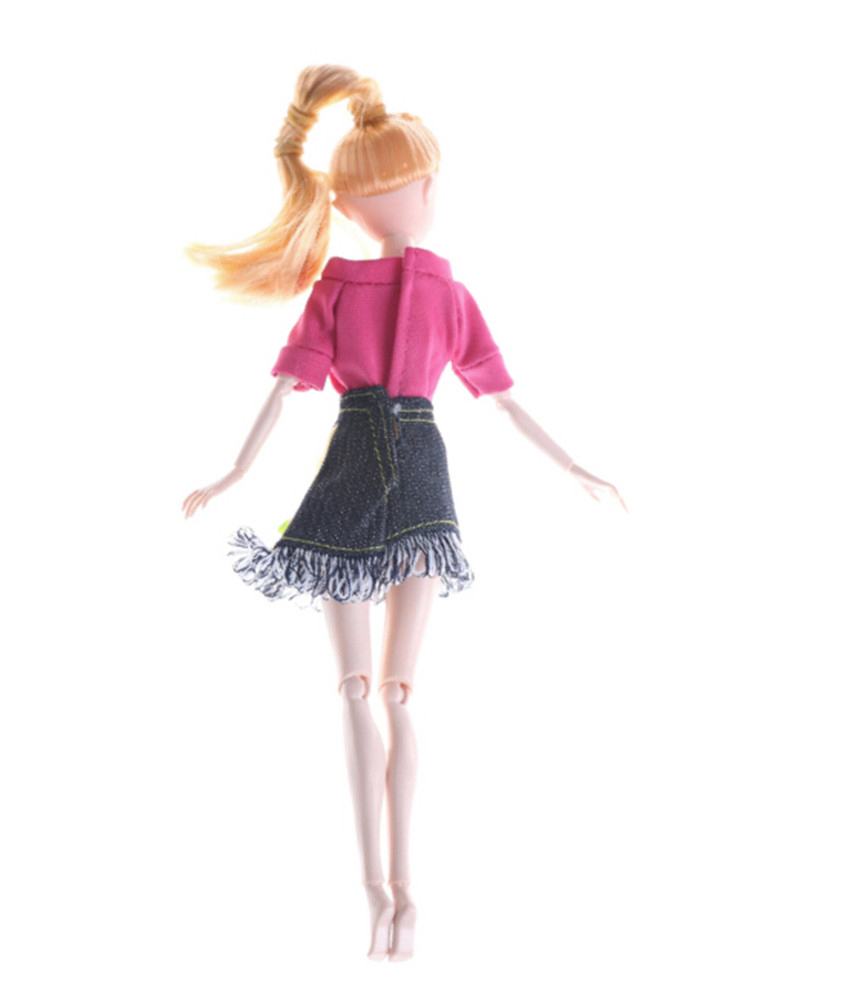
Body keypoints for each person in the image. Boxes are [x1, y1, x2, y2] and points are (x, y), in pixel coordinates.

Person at [182, 65, 626, 961]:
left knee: (374, 689)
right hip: (395, 468)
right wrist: (232, 471)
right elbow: (492, 400)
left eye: (417, 181)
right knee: (382, 690)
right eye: (415, 184)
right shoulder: (386, 290)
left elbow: (300, 391)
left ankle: (392, 892)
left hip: (382, 467)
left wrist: (576, 465)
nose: (419, 196)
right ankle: (389, 893)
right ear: (366, 202)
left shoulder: (382, 290)